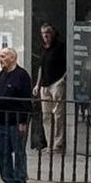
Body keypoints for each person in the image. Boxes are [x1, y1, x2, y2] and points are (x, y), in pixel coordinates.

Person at [0, 46, 35, 183]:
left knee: (19, 152)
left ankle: (21, 182)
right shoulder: (1, 75)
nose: (0, 60)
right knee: (3, 151)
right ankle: (8, 180)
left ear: (12, 58)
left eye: (3, 56)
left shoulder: (22, 75)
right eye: (0, 56)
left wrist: (23, 121)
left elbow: (26, 100)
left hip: (15, 120)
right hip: (2, 120)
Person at [34, 23, 67, 154]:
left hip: (57, 81)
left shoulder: (60, 47)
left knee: (58, 114)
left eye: (48, 32)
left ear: (52, 33)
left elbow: (67, 63)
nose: (45, 36)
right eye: (43, 33)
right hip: (45, 84)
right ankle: (50, 142)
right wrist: (37, 84)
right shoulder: (43, 49)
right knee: (46, 115)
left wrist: (63, 79)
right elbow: (41, 67)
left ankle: (58, 144)